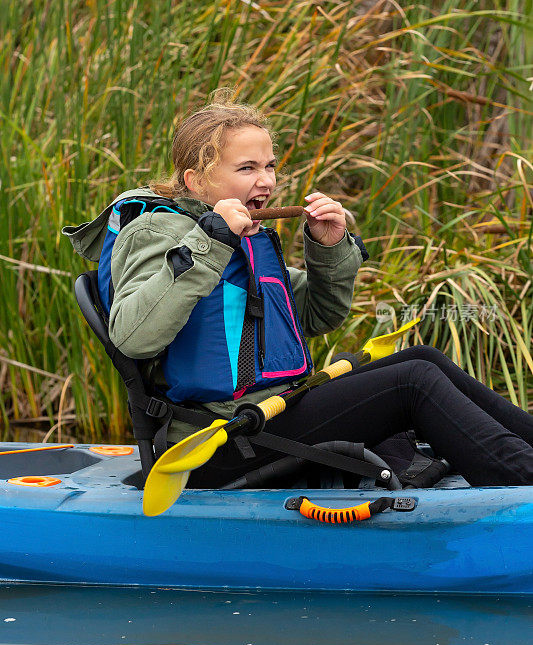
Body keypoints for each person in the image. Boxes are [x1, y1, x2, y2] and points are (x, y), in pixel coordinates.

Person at [64, 93, 533, 488]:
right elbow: (133, 336)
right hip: (218, 440)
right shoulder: (157, 234)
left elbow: (314, 317)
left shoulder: (240, 236)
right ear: (195, 180)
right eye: (247, 168)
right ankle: (523, 481)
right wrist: (209, 243)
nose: (266, 180)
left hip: (272, 410)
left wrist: (327, 249)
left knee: (424, 359)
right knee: (412, 384)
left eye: (270, 165)